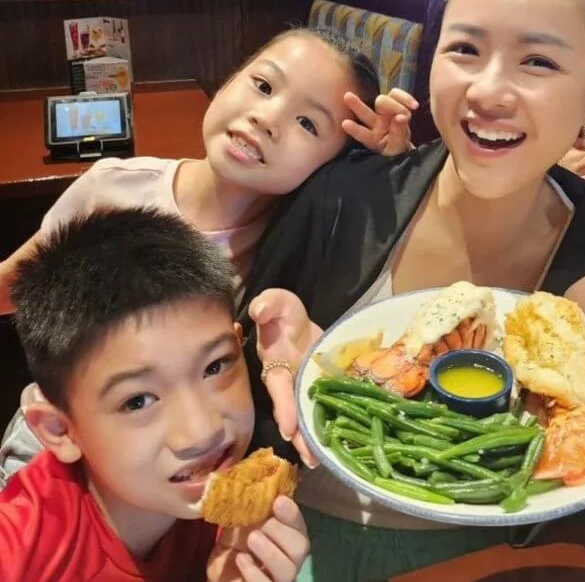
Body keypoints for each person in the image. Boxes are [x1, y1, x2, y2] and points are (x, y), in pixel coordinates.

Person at [239, 0, 585, 582]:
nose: (488, 91)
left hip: (520, 562)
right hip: (308, 545)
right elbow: (233, 388)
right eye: (465, 49)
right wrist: (266, 353)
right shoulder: (343, 198)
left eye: (539, 61)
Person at [0, 25, 415, 484]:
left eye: (307, 123)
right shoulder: (113, 190)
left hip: (172, 474)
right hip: (58, 449)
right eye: (263, 85)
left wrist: (391, 173)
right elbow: (12, 286)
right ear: (229, 79)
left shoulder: (299, 247)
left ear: (332, 164)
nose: (267, 118)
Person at [0, 207, 309, 582]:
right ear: (60, 430)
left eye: (215, 366)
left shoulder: (231, 498)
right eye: (138, 400)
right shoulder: (17, 567)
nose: (202, 431)